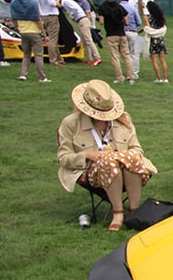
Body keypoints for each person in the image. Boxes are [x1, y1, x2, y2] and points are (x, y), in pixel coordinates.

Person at [58, 79, 157, 231]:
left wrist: (120, 156)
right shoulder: (70, 123)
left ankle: (134, 210)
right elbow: (63, 158)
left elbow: (137, 149)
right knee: (109, 162)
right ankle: (118, 212)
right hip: (89, 170)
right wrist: (86, 155)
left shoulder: (124, 120)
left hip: (126, 166)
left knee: (129, 158)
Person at [10, 0, 49, 82]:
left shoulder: (14, 2)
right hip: (34, 31)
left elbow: (13, 18)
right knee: (38, 55)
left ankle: (23, 74)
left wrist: (18, 28)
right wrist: (44, 33)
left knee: (26, 54)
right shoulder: (33, 3)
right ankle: (42, 77)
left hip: (23, 31)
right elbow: (38, 19)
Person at [96, 0, 135, 84]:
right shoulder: (120, 7)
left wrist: (98, 18)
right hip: (122, 33)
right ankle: (131, 77)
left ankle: (120, 77)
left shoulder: (103, 7)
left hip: (111, 34)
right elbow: (126, 22)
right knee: (126, 55)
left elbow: (101, 22)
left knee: (115, 57)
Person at [33, 0, 64, 66]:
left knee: (50, 38)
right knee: (53, 39)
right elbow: (51, 2)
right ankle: (53, 59)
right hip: (51, 14)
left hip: (42, 15)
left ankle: (59, 58)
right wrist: (57, 3)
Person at [64, 0, 100, 65]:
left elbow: (88, 13)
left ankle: (97, 57)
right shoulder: (75, 2)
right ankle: (89, 58)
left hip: (83, 20)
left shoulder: (84, 2)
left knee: (88, 40)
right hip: (80, 21)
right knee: (85, 41)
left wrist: (87, 22)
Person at [119, 0, 142, 79]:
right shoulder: (133, 8)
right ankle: (134, 73)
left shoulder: (118, 7)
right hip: (132, 31)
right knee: (135, 54)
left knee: (125, 53)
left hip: (121, 32)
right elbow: (139, 22)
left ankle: (126, 72)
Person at [145, 1, 168, 83]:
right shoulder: (161, 17)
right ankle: (165, 78)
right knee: (162, 60)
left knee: (154, 60)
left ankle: (158, 79)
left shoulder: (148, 17)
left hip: (152, 40)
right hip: (160, 40)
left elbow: (148, 29)